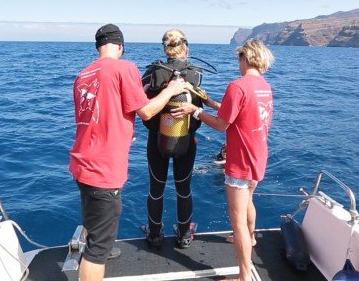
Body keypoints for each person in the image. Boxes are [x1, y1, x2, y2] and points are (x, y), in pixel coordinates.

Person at [69, 24, 187, 281]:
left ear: (99, 46)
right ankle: (97, 255)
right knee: (96, 252)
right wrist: (171, 90)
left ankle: (99, 246)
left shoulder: (83, 75)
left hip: (81, 163)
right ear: (120, 46)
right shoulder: (124, 68)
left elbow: (95, 116)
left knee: (93, 224)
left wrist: (124, 131)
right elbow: (146, 111)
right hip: (104, 169)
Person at [171, 40, 274, 281]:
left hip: (239, 160)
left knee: (236, 220)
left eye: (239, 59)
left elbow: (221, 124)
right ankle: (252, 237)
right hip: (258, 156)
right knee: (249, 200)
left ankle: (244, 276)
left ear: (245, 58)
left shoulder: (237, 86)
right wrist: (207, 102)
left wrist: (193, 111)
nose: (238, 64)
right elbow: (238, 113)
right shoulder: (264, 86)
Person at [140, 29, 218, 249]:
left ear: (165, 49)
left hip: (157, 140)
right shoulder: (195, 73)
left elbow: (141, 100)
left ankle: (154, 234)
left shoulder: (153, 71)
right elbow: (198, 104)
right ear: (186, 47)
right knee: (184, 188)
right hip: (186, 139)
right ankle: (184, 234)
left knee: (156, 189)